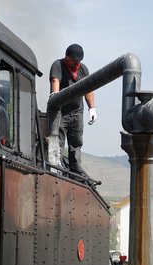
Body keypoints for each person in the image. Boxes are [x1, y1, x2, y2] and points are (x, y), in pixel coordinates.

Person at [48, 43, 96, 175]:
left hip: (76, 112)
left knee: (76, 143)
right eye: (74, 61)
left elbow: (89, 88)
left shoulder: (83, 70)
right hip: (59, 112)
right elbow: (55, 81)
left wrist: (92, 108)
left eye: (79, 61)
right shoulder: (58, 65)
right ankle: (56, 170)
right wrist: (55, 95)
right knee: (57, 141)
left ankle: (75, 172)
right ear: (66, 57)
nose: (76, 63)